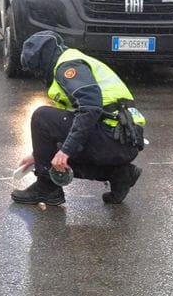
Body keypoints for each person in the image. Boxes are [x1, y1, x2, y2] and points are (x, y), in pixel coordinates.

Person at [12, 31, 145, 206]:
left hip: (113, 136)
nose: (38, 76)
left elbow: (91, 108)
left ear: (41, 61)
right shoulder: (69, 61)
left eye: (36, 70)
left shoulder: (68, 68)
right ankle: (119, 174)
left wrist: (66, 150)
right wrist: (38, 155)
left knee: (42, 116)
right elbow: (73, 121)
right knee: (61, 147)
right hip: (122, 140)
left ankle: (47, 188)